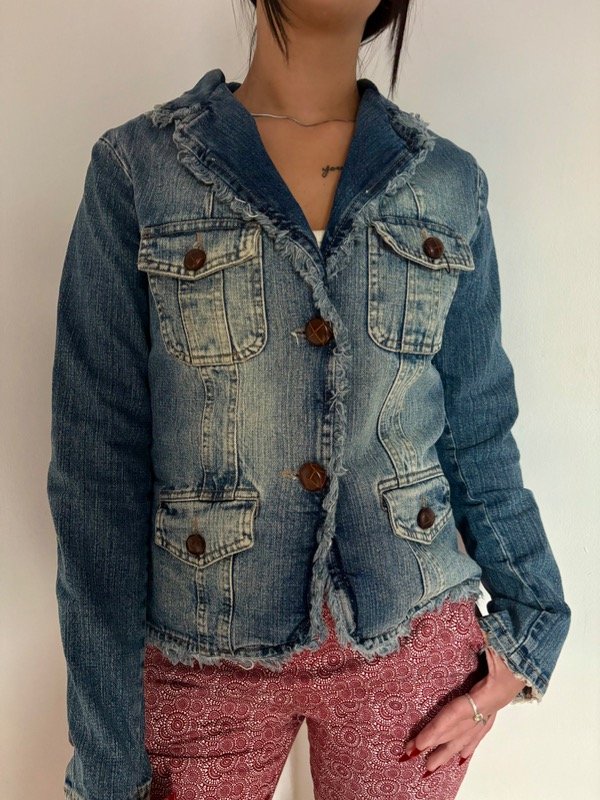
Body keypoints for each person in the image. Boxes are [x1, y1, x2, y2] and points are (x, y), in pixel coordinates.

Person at [47, 1, 571, 799]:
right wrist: (109, 762)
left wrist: (529, 629)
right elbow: (98, 472)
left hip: (409, 643)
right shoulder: (141, 170)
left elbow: (478, 432)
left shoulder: (446, 182)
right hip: (200, 653)